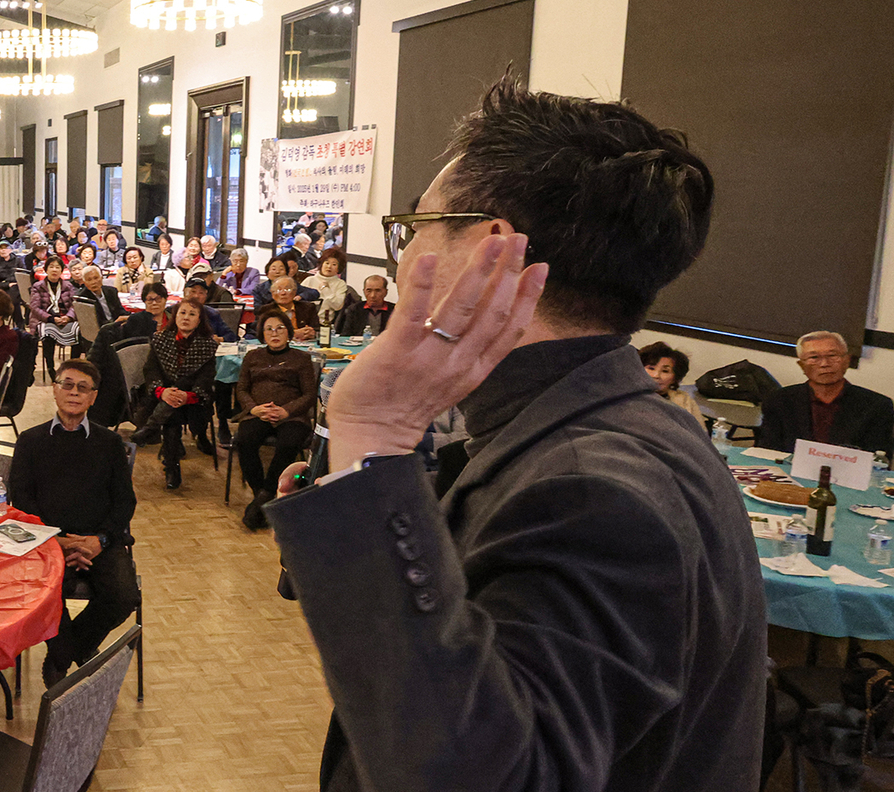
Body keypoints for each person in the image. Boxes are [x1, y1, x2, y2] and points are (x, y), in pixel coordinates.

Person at [263, 77, 762, 791]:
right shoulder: (613, 424)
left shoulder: (594, 492)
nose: (402, 261)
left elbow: (469, 774)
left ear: (490, 250)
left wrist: (372, 433)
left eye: (414, 230)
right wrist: (360, 483)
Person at [8, 358, 136, 686]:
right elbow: (21, 500)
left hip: (99, 541)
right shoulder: (30, 441)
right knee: (46, 595)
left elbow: (124, 501)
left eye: (83, 388)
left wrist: (99, 541)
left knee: (123, 596)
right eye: (67, 384)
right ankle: (71, 653)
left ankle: (63, 653)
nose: (74, 393)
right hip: (47, 542)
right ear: (54, 390)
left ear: (93, 397)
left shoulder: (109, 444)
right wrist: (58, 541)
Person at [232, 313, 315, 527]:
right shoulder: (252, 357)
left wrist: (286, 411)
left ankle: (262, 499)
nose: (274, 333)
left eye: (280, 328)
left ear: (289, 332)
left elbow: (309, 394)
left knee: (289, 443)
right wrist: (254, 408)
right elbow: (241, 389)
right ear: (262, 334)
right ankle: (263, 496)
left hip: (291, 415)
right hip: (258, 412)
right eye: (269, 329)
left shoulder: (302, 358)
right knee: (244, 440)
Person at [129, 300, 222, 490]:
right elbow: (151, 370)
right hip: (161, 397)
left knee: (173, 412)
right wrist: (162, 392)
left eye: (192, 314)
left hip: (194, 400)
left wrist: (188, 396)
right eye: (182, 313)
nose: (186, 318)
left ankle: (155, 437)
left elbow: (206, 379)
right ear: (175, 316)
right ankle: (171, 467)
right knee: (172, 416)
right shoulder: (161, 339)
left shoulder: (208, 345)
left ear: (199, 320)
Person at [757, 330, 894, 456]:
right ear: (801, 365)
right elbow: (767, 450)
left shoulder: (878, 405)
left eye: (832, 356)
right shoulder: (779, 400)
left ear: (847, 361)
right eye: (814, 357)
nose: (824, 364)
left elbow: (879, 458)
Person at [29, 259, 82, 369]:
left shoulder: (68, 286)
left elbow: (75, 305)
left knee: (79, 332)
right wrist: (51, 319)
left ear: (62, 270)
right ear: (46, 270)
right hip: (46, 319)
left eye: (57, 267)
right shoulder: (38, 286)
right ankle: (51, 368)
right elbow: (35, 308)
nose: (54, 270)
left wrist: (68, 317)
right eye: (51, 267)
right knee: (48, 334)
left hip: (65, 319)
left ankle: (72, 365)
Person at [638, 341, 704, 421]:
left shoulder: (684, 402)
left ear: (675, 379)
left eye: (665, 371)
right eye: (651, 368)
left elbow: (698, 432)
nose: (656, 375)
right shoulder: (626, 395)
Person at [302, 249, 360, 330]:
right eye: (327, 263)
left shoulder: (340, 284)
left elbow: (337, 306)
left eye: (334, 264)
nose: (329, 266)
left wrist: (325, 289)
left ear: (339, 268)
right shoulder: (310, 280)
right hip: (305, 324)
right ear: (321, 264)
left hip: (325, 325)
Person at [255, 277, 321, 342]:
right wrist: (293, 334)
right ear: (273, 294)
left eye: (287, 289)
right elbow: (261, 334)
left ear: (294, 292)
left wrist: (312, 333)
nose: (283, 293)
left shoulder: (308, 307)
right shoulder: (265, 310)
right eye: (279, 290)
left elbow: (318, 329)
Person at [251, 255, 320, 306]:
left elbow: (314, 292)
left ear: (286, 273)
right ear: (267, 273)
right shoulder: (259, 289)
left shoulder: (293, 286)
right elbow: (257, 309)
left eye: (281, 269)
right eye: (273, 269)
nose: (277, 272)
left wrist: (301, 296)